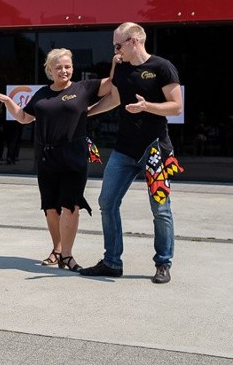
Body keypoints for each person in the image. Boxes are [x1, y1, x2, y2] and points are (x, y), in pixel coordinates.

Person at [0, 48, 111, 272]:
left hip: (73, 156)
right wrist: (8, 102)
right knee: (51, 207)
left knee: (70, 205)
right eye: (59, 67)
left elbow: (114, 85)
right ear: (50, 70)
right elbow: (24, 118)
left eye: (68, 66)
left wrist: (117, 62)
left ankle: (67, 255)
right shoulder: (42, 94)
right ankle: (57, 249)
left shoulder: (83, 88)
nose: (64, 71)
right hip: (46, 157)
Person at [80, 22, 182, 284]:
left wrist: (147, 106)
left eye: (118, 45)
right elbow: (114, 98)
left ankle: (163, 263)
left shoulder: (162, 67)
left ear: (134, 41)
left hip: (156, 150)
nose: (115, 50)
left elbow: (176, 107)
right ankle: (112, 261)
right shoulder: (121, 67)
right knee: (107, 202)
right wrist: (86, 114)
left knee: (160, 208)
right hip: (124, 148)